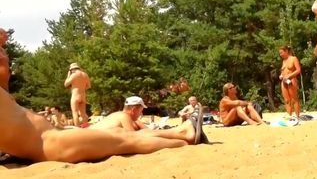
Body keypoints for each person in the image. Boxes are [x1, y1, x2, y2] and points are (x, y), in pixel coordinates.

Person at [0, 87, 205, 163]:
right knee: (125, 140)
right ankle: (183, 137)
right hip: (53, 143)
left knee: (121, 136)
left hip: (53, 139)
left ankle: (183, 134)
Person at [90, 96, 208, 144]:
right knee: (140, 137)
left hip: (94, 140)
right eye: (141, 110)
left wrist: (140, 126)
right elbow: (133, 139)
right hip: (94, 141)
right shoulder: (123, 116)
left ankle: (185, 133)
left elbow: (146, 131)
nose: (142, 113)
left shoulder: (120, 116)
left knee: (144, 133)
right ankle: (185, 134)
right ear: (134, 109)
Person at [278, 45, 302, 120]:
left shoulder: (293, 58)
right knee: (287, 100)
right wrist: (281, 75)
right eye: (280, 53)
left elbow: (298, 70)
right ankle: (289, 115)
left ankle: (297, 116)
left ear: (286, 51)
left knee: (294, 99)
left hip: (291, 79)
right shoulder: (283, 61)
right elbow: (283, 71)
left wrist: (290, 75)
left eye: (281, 52)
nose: (280, 54)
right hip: (284, 81)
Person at [64, 62, 91, 127]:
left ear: (72, 69)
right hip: (83, 96)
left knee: (75, 113)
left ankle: (77, 128)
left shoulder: (74, 75)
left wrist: (68, 76)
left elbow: (65, 84)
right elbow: (89, 86)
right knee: (83, 113)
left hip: (75, 96)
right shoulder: (85, 75)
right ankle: (86, 127)